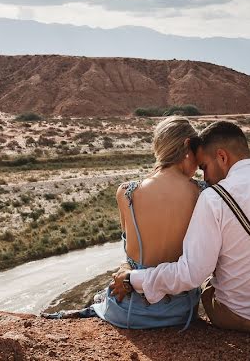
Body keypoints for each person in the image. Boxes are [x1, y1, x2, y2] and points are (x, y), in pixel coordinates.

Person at [111, 120, 250, 337]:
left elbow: (192, 274)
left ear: (222, 157)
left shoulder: (213, 198)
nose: (205, 177)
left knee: (205, 271)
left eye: (205, 167)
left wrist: (133, 278)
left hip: (230, 318)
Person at [43, 116, 205, 329]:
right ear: (187, 146)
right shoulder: (203, 194)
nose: (199, 162)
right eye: (197, 152)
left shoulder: (127, 192)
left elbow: (130, 252)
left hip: (128, 310)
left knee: (99, 298)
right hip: (180, 311)